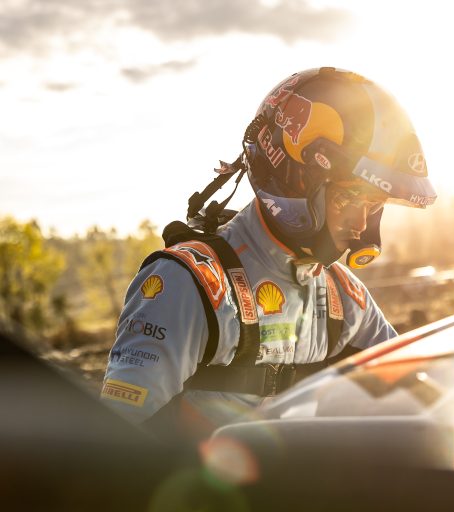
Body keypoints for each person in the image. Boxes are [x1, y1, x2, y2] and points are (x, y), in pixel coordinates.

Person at [100, 67, 436, 438]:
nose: (360, 222)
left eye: (373, 204)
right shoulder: (189, 283)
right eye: (348, 198)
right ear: (295, 177)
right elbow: (119, 442)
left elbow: (424, 400)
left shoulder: (345, 296)